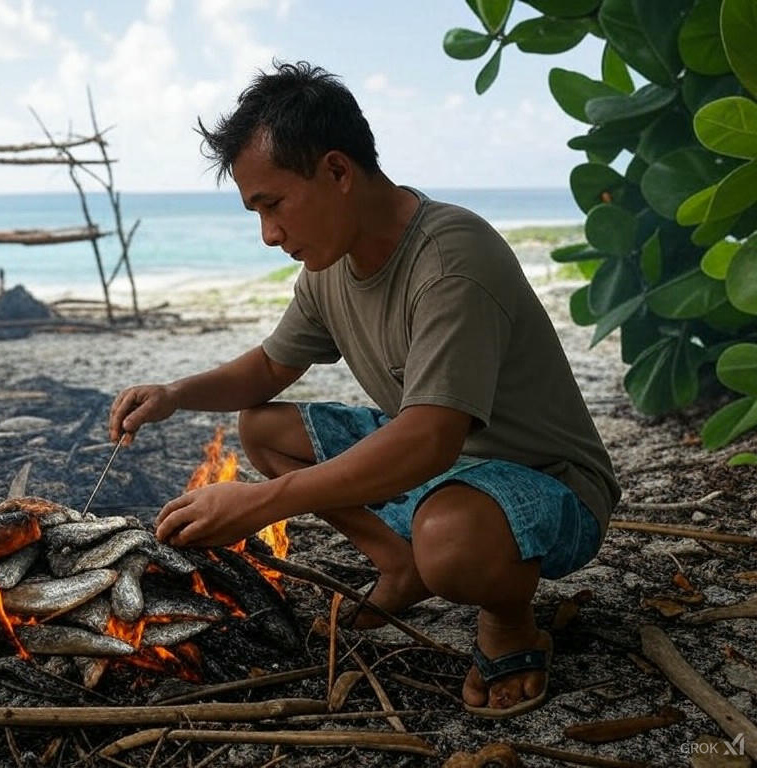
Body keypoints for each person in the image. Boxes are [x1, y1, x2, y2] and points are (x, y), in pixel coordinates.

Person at [107, 61, 620, 718]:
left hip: (546, 482)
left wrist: (261, 503)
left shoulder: (450, 261)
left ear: (337, 172)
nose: (268, 234)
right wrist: (175, 393)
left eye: (273, 204)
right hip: (443, 466)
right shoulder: (331, 264)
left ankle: (510, 622)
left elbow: (431, 440)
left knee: (450, 540)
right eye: (256, 212)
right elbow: (268, 368)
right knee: (262, 427)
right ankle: (398, 564)